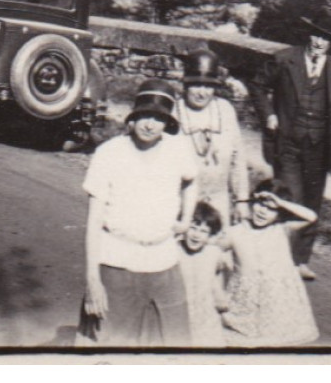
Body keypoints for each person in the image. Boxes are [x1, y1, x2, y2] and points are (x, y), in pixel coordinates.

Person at [79, 79, 200, 347]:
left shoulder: (177, 149)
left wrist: (186, 219)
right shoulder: (108, 154)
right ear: (133, 118)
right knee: (111, 346)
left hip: (164, 261)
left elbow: (192, 180)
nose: (149, 124)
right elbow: (94, 222)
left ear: (167, 122)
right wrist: (92, 280)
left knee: (174, 343)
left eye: (158, 118)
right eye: (144, 115)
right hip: (117, 262)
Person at [251, 9, 331, 280]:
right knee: (289, 196)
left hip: (320, 145)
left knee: (312, 201)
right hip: (288, 141)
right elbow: (259, 86)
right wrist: (270, 116)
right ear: (309, 34)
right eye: (317, 35)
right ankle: (279, 255)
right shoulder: (285, 60)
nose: (319, 42)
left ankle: (300, 260)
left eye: (326, 39)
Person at [221, 183, 320, 347]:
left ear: (279, 213)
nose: (263, 211)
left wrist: (281, 203)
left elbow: (311, 217)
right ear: (252, 203)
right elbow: (213, 247)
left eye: (271, 209)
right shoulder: (236, 231)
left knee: (278, 334)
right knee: (243, 335)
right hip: (246, 296)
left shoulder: (282, 229)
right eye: (260, 204)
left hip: (276, 296)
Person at [173, 49, 251, 226]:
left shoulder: (225, 110)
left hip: (218, 199)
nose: (202, 92)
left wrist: (241, 200)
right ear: (185, 84)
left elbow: (237, 158)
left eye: (208, 86)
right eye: (196, 85)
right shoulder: (173, 112)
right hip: (180, 201)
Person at [178, 201, 232, 348]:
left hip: (206, 315)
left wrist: (221, 299)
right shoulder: (174, 251)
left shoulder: (214, 253)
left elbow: (216, 280)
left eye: (203, 231)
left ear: (210, 235)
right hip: (180, 314)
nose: (196, 235)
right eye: (193, 228)